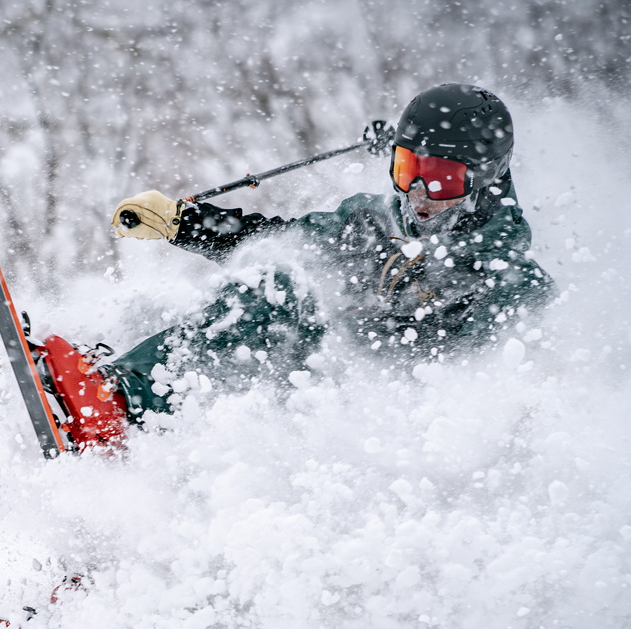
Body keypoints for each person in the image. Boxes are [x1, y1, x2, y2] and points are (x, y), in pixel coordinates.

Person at [92, 83, 555, 426]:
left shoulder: (507, 280)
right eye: (407, 168)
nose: (417, 194)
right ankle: (115, 390)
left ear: (487, 176)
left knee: (285, 301)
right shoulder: (373, 223)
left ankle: (124, 402)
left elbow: (471, 389)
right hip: (308, 387)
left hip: (373, 422)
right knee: (272, 282)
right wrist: (186, 223)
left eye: (441, 179)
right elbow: (284, 242)